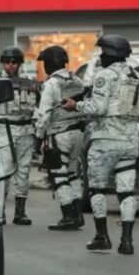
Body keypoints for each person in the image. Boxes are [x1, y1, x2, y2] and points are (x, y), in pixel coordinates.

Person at [64, 35, 139, 254]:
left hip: (105, 140)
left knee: (98, 188)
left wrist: (76, 105)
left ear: (110, 54)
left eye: (103, 53)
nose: (101, 56)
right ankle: (127, 241)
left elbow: (97, 108)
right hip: (130, 139)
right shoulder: (137, 76)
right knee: (126, 192)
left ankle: (102, 236)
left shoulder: (104, 76)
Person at [34, 46, 87, 231]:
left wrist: (38, 138)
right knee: (74, 173)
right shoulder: (77, 81)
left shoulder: (51, 84)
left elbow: (44, 114)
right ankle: (78, 214)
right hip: (78, 133)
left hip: (59, 134)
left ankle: (67, 216)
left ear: (50, 63)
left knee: (59, 174)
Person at [0, 47, 39, 225]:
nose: (11, 65)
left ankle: (20, 212)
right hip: (4, 128)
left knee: (24, 172)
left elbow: (40, 107)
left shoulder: (30, 83)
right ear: (3, 63)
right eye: (8, 62)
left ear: (20, 63)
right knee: (4, 171)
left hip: (25, 129)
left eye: (14, 62)